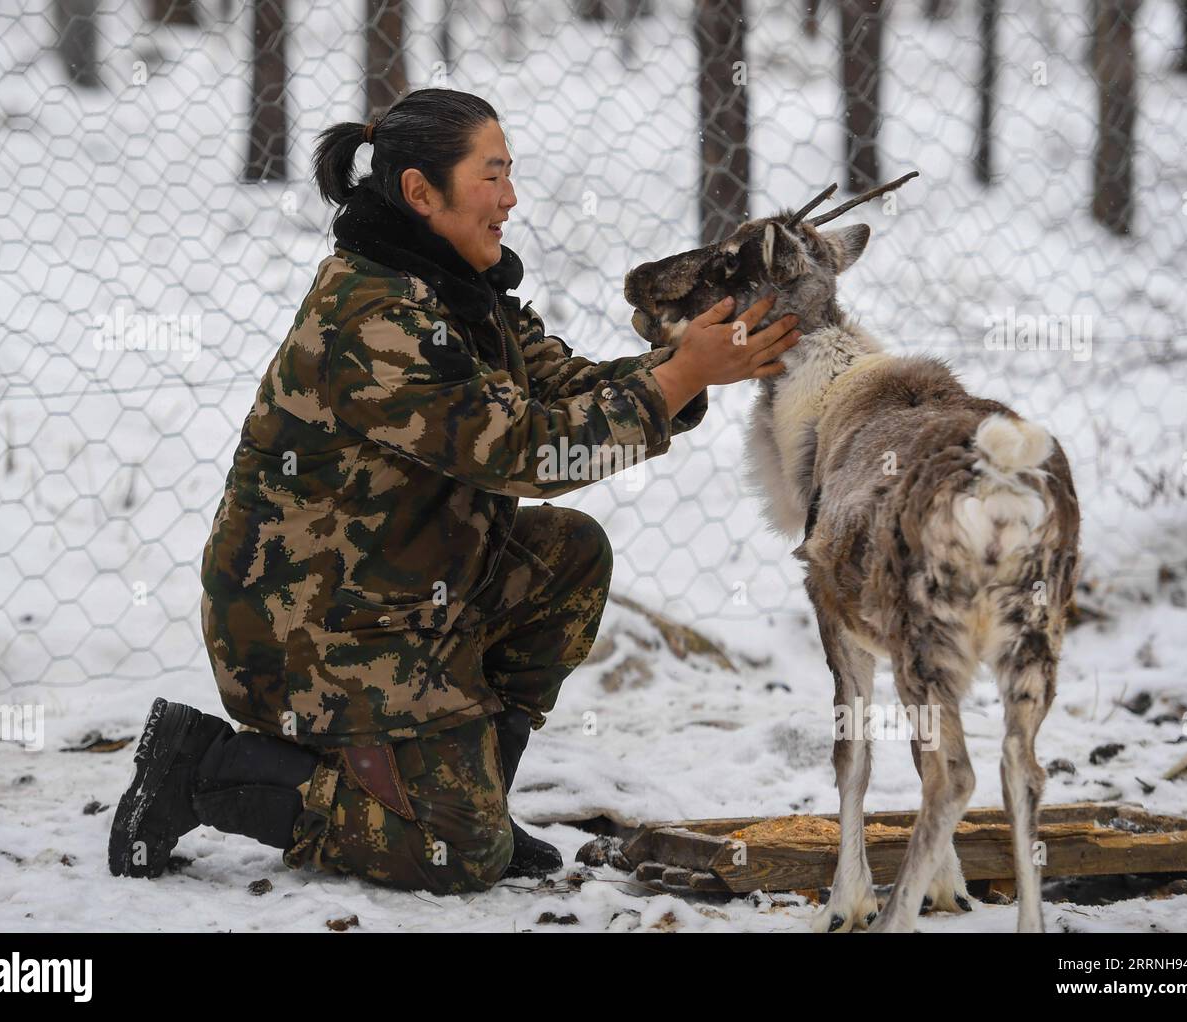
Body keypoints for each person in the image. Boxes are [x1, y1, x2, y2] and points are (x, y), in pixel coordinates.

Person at [108, 88, 801, 896]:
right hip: (305, 630)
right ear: (419, 193)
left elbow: (560, 390)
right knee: (457, 857)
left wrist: (690, 358)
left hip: (395, 591)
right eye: (492, 175)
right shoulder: (374, 319)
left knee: (569, 555)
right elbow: (523, 449)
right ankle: (205, 767)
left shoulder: (460, 295)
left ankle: (469, 794)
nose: (510, 198)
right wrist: (681, 374)